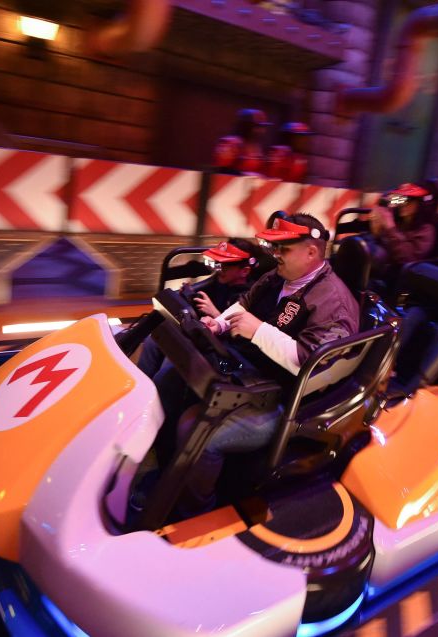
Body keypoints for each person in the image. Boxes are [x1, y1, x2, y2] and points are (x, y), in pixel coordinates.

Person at [156, 213, 360, 513]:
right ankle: (163, 475)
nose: (275, 255)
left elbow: (312, 366)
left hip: (286, 402)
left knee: (197, 430)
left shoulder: (333, 302)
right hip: (249, 375)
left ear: (312, 252)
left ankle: (193, 514)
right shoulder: (278, 276)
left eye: (284, 249)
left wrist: (257, 331)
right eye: (275, 248)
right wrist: (220, 325)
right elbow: (245, 303)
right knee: (171, 380)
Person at [137, 239, 261, 378]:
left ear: (244, 271)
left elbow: (240, 337)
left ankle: (158, 392)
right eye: (216, 263)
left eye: (224, 266)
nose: (217, 268)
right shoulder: (219, 282)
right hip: (203, 338)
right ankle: (140, 383)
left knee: (173, 359)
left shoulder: (249, 297)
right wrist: (188, 295)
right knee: (154, 339)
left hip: (227, 354)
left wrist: (215, 313)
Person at [370, 182, 438, 266]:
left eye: (408, 200)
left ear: (420, 204)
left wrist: (391, 227)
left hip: (399, 273)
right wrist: (377, 225)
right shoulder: (398, 219)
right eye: (402, 200)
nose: (403, 205)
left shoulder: (426, 230)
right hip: (382, 263)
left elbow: (407, 259)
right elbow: (379, 239)